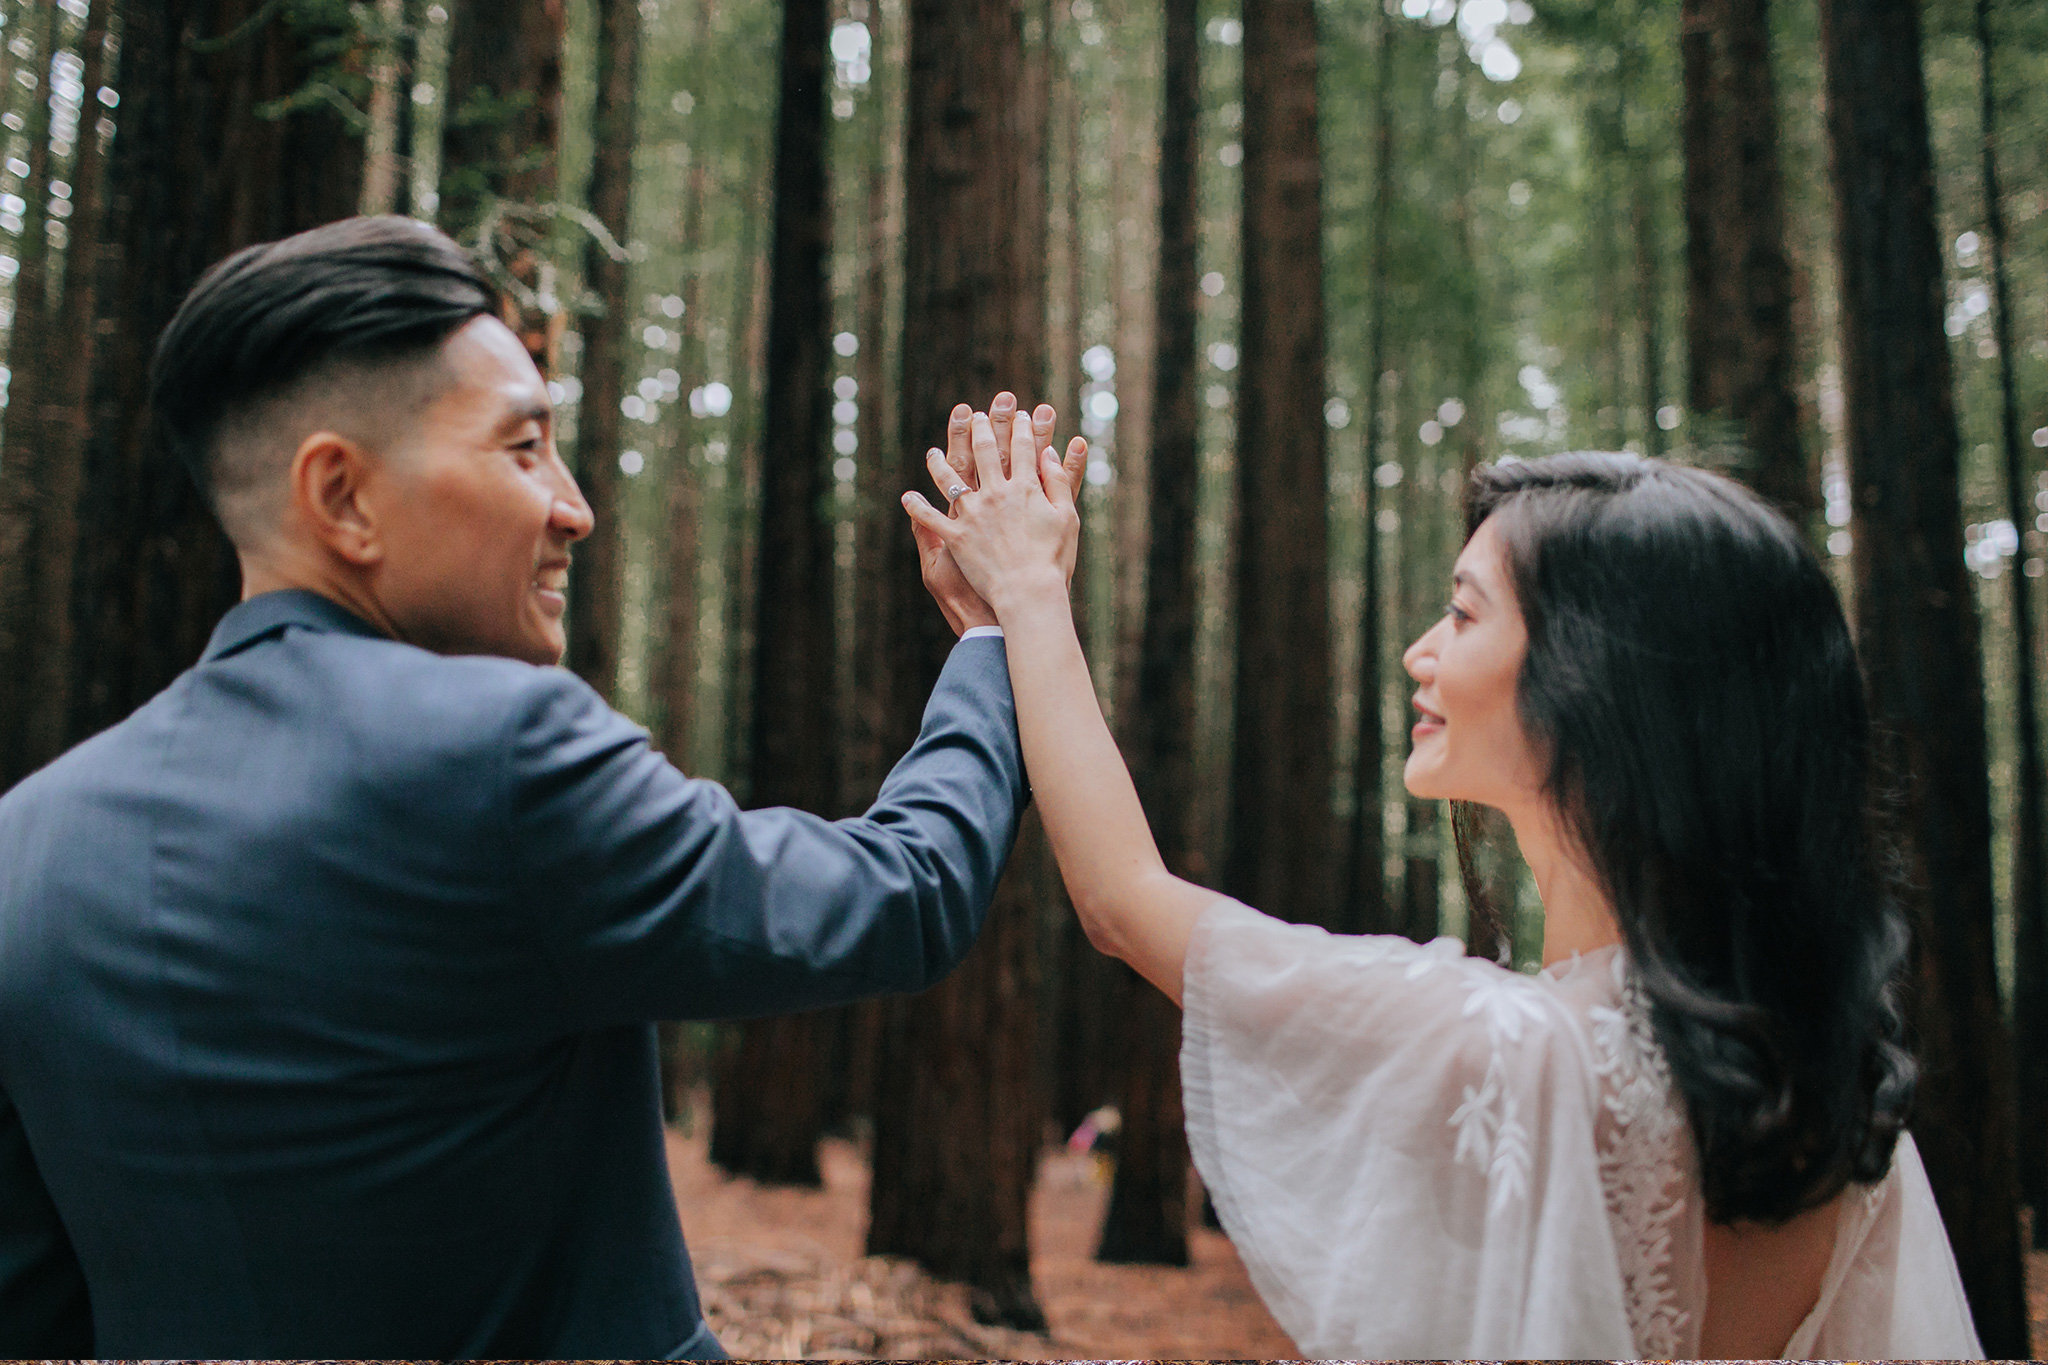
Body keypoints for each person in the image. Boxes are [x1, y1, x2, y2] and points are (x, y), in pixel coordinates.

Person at [0, 216, 1078, 1358]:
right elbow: (899, 895)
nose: (574, 506)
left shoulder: (28, 842)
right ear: (343, 497)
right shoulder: (499, 753)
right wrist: (998, 635)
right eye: (522, 450)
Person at [905, 425, 1985, 1358]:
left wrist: (1028, 599)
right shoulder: (1834, 1110)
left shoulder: (1512, 1050)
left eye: (1464, 617)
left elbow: (1122, 899)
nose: (1421, 651)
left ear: (1594, 682)